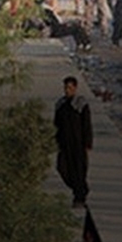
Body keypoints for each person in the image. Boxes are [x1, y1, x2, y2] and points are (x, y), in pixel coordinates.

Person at [53, 77, 93, 208]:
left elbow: (87, 125)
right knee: (62, 169)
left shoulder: (81, 104)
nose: (67, 91)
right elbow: (56, 124)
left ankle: (79, 198)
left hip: (78, 144)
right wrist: (55, 140)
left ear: (75, 88)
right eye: (65, 88)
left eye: (70, 88)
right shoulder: (60, 105)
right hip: (64, 144)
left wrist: (88, 143)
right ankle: (81, 188)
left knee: (79, 171)